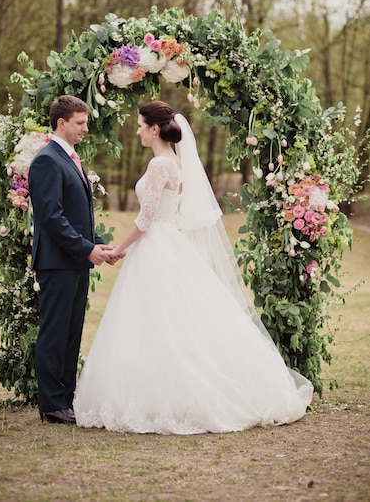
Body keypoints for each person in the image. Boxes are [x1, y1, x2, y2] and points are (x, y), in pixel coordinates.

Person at [73, 100, 314, 434]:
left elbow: (146, 219)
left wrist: (119, 249)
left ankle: (166, 397)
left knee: (157, 322)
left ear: (155, 128)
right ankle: (161, 394)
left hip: (156, 243)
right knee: (169, 322)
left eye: (141, 125)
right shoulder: (175, 163)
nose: (138, 130)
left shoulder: (160, 166)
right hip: (168, 241)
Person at [29, 94, 116, 425]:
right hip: (57, 262)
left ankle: (66, 399)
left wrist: (97, 243)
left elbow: (78, 216)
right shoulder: (47, 160)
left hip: (75, 260)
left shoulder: (71, 158)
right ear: (61, 123)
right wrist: (85, 249)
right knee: (55, 332)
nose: (85, 128)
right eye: (80, 123)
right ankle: (52, 405)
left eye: (87, 123)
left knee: (71, 332)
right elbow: (51, 217)